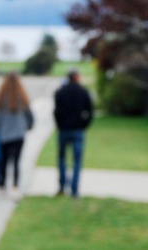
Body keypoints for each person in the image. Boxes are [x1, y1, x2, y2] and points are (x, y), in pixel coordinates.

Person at [0, 73, 34, 200]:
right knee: (16, 161)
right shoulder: (22, 97)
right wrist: (27, 126)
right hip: (19, 134)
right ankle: (15, 186)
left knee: (4, 161)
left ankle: (3, 185)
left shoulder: (1, 97)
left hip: (5, 134)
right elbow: (29, 116)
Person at [53, 68, 93, 198]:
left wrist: (59, 125)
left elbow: (56, 112)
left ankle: (62, 186)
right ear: (77, 77)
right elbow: (90, 112)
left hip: (64, 130)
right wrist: (84, 125)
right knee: (77, 161)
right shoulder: (83, 92)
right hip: (77, 130)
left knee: (62, 159)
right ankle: (74, 189)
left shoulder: (60, 92)